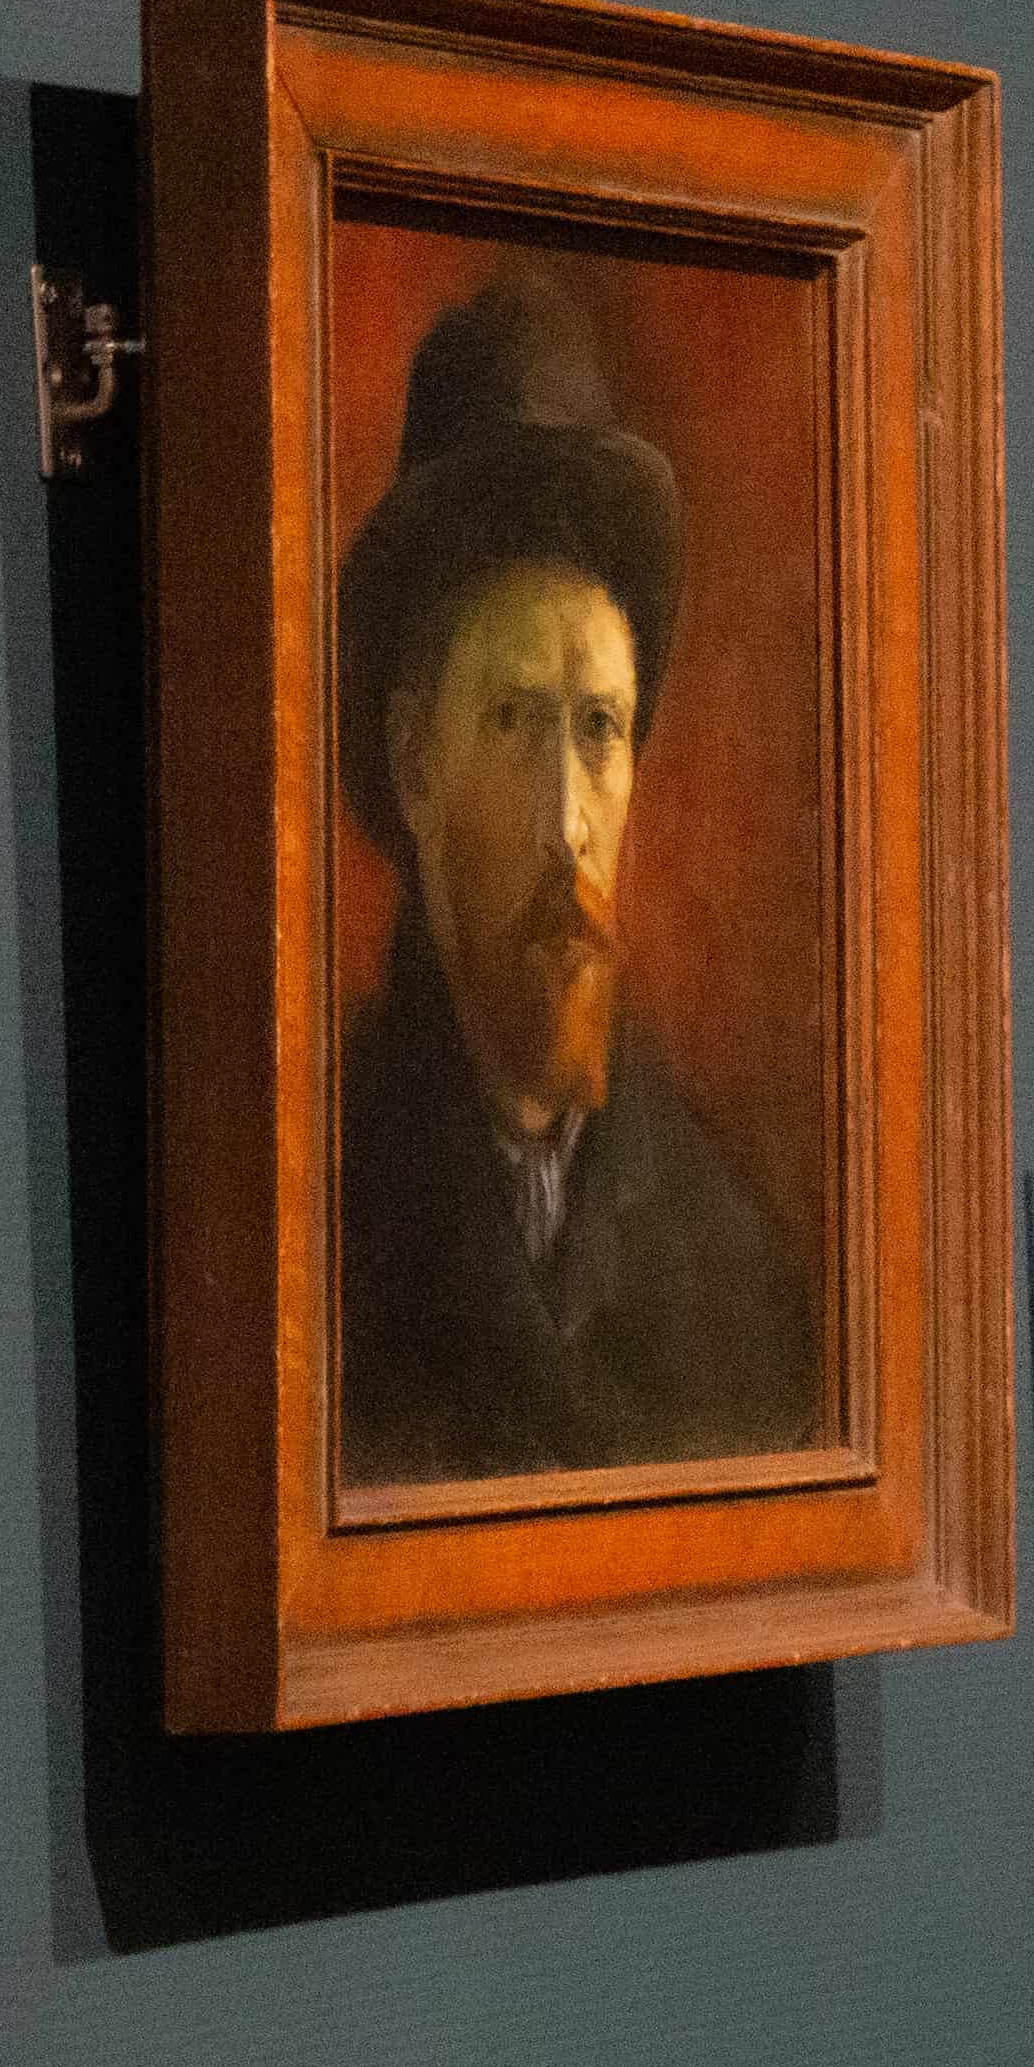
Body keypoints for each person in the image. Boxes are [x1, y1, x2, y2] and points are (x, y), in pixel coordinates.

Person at [333, 272, 819, 1483]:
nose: (567, 826)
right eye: (511, 720)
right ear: (413, 764)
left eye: (599, 729)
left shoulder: (739, 1272)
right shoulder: (313, 1228)